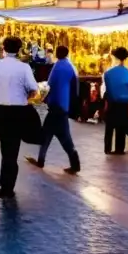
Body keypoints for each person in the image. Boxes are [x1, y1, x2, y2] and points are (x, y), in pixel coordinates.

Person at [0, 36, 39, 199]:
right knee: (12, 151)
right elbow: (34, 89)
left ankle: (4, 185)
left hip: (1, 112)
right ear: (19, 49)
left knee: (6, 149)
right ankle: (7, 187)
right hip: (18, 113)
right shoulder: (24, 68)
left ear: (3, 48)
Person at [27, 45, 80, 174]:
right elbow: (76, 88)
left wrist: (42, 97)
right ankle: (73, 163)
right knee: (52, 134)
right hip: (64, 106)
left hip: (56, 105)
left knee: (56, 136)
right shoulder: (71, 67)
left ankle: (44, 161)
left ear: (57, 53)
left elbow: (49, 85)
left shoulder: (57, 66)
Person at [103, 47, 128, 156]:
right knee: (121, 126)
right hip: (125, 103)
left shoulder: (108, 73)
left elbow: (107, 89)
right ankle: (119, 149)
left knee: (110, 126)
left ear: (114, 57)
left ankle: (107, 148)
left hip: (112, 102)